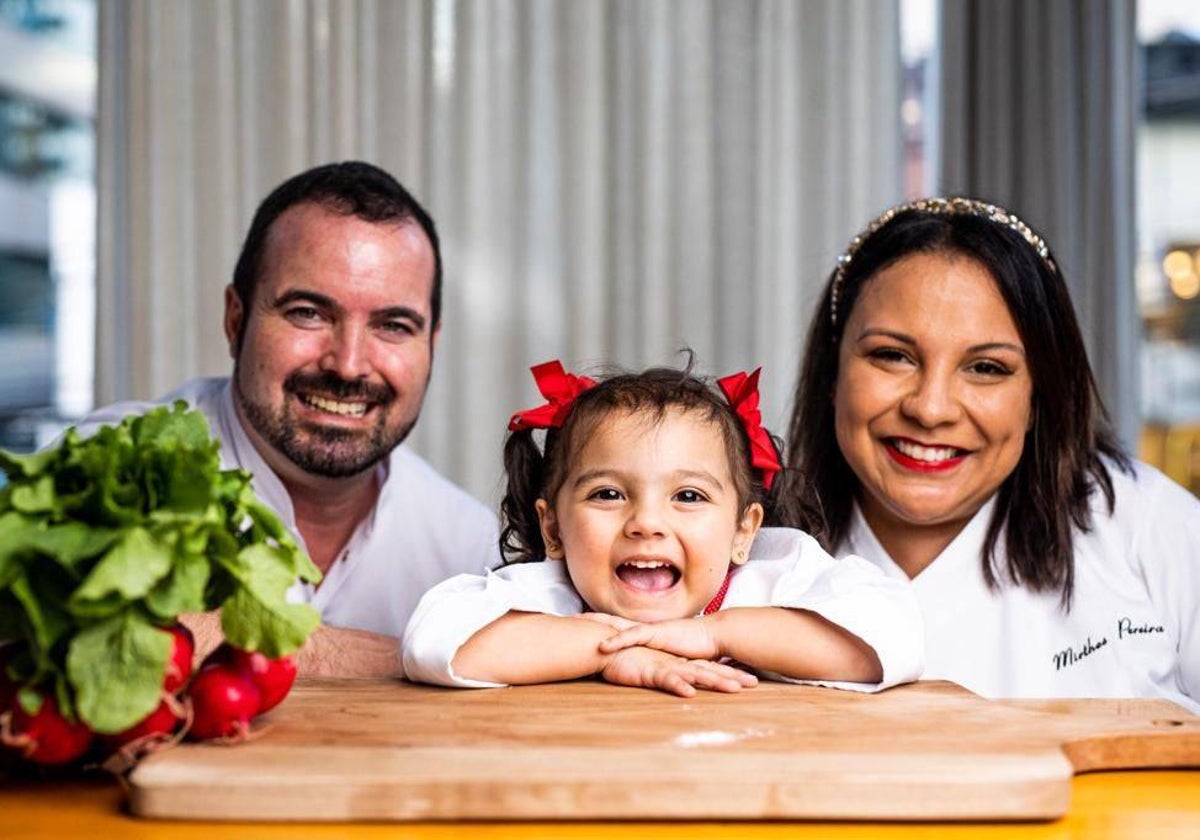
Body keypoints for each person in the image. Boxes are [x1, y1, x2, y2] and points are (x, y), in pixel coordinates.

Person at [778, 196, 1200, 714]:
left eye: (986, 368)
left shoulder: (1149, 528)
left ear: (1037, 396)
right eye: (893, 356)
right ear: (832, 373)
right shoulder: (747, 551)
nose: (931, 409)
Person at [79, 161, 499, 677]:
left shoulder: (467, 543)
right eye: (308, 313)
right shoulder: (113, 462)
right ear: (236, 320)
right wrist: (410, 658)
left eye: (393, 325)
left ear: (431, 345)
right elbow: (84, 630)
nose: (348, 365)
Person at [402, 360, 923, 696]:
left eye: (688, 496)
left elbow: (896, 638)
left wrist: (710, 634)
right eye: (608, 494)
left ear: (745, 531)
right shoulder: (547, 592)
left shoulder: (775, 574)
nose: (647, 523)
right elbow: (431, 642)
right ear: (553, 528)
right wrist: (613, 650)